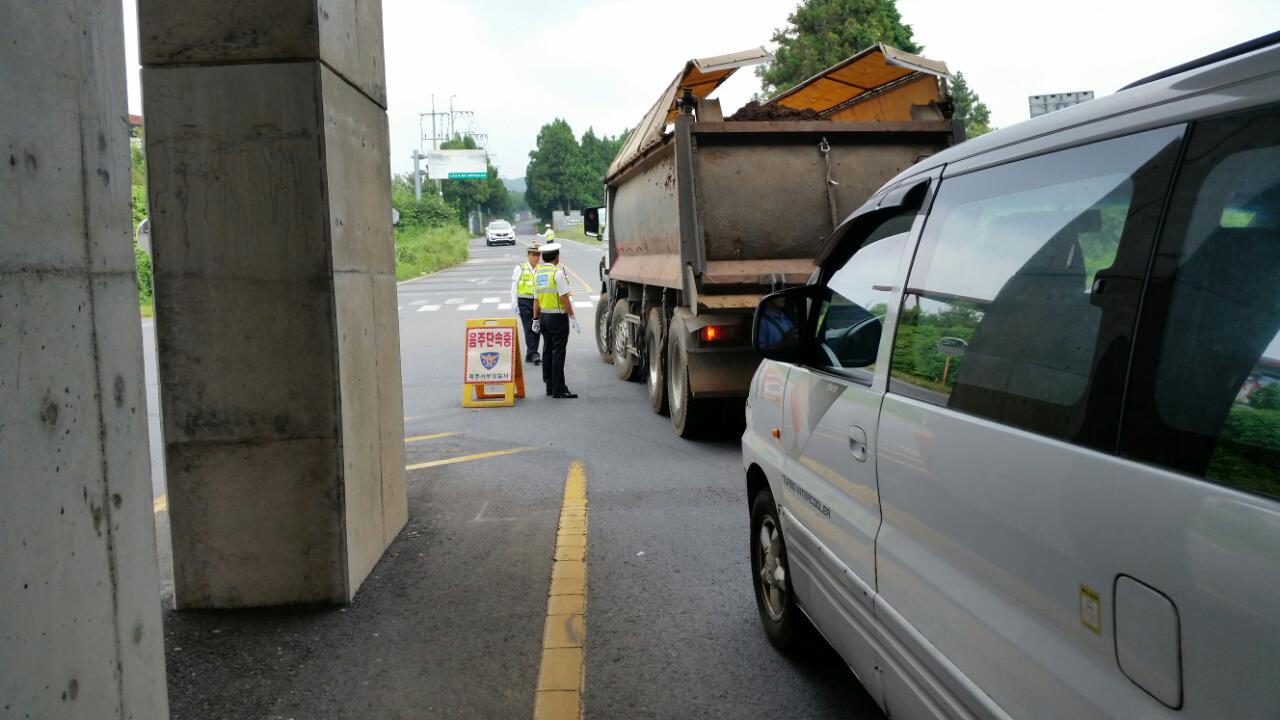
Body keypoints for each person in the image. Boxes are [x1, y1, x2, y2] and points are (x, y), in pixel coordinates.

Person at [530, 243, 580, 398]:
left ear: (544, 258)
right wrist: (572, 317)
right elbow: (564, 297)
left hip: (544, 317)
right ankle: (559, 390)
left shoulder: (538, 273)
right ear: (557, 257)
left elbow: (536, 300)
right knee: (558, 352)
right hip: (558, 318)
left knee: (547, 350)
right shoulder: (557, 273)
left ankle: (550, 386)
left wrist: (535, 319)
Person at [510, 243, 542, 364]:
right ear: (528, 255)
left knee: (537, 327)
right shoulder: (521, 267)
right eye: (534, 254)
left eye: (538, 255)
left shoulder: (541, 269)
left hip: (538, 302)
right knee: (528, 327)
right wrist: (514, 302)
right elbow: (514, 285)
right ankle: (534, 353)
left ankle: (530, 354)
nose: (536, 257)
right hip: (524, 301)